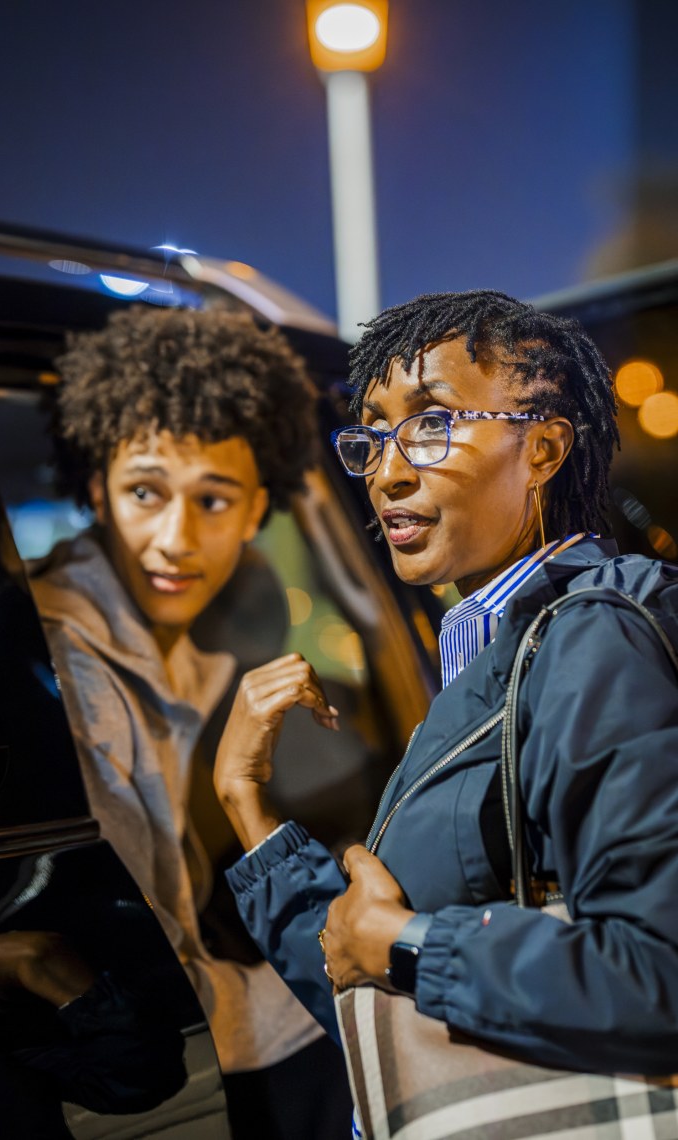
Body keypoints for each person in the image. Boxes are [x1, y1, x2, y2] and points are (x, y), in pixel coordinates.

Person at [216, 290, 678, 1093]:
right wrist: (246, 806)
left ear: (543, 450)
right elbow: (377, 1004)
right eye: (373, 438)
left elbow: (656, 981)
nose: (388, 473)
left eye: (431, 425)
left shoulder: (590, 637)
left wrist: (409, 944)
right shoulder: (494, 651)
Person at [27, 305, 352, 1138]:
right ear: (95, 487)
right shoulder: (76, 665)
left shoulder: (179, 649)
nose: (174, 539)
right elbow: (151, 973)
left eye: (213, 500)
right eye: (145, 491)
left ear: (255, 515)